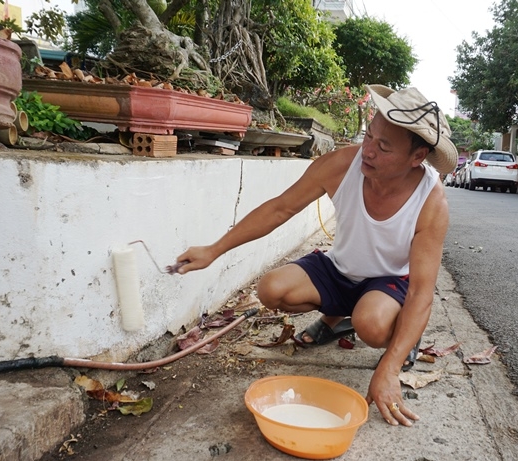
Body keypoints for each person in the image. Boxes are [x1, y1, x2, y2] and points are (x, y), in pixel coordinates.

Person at [174, 84, 458, 427]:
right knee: (272, 289)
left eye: (384, 147)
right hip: (340, 269)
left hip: (389, 282)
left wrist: (389, 367)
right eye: (369, 136)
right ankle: (336, 315)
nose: (368, 151)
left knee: (371, 326)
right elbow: (281, 208)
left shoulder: (431, 200)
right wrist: (215, 249)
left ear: (417, 157)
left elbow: (421, 291)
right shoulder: (342, 165)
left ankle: (404, 339)